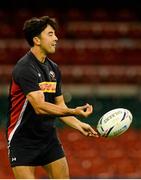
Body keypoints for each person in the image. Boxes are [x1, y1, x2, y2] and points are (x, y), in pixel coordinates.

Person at [6, 16, 99, 179]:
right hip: (22, 140)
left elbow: (60, 105)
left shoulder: (53, 69)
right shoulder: (24, 68)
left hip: (48, 138)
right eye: (50, 34)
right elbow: (40, 107)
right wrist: (74, 111)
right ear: (37, 40)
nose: (56, 38)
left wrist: (78, 125)